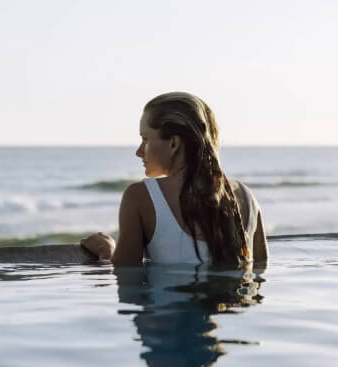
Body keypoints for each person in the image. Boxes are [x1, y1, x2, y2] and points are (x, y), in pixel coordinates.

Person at [81, 92, 268, 266]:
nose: (138, 152)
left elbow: (126, 280)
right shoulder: (246, 196)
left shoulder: (139, 197)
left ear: (173, 144)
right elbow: (259, 275)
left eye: (145, 139)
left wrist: (106, 252)